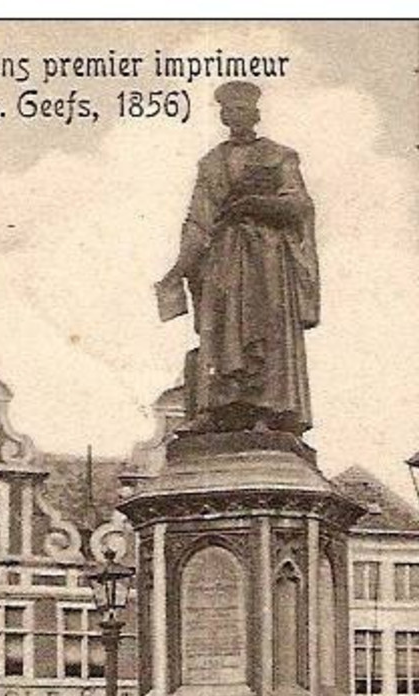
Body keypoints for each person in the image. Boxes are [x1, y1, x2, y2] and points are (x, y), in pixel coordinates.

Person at [156, 80, 319, 437]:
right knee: (221, 332)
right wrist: (178, 268)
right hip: (224, 258)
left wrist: (257, 205)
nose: (235, 116)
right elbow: (198, 220)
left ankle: (268, 409)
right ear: (223, 116)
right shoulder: (211, 163)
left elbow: (299, 204)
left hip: (267, 259)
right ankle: (216, 409)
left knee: (267, 331)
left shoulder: (280, 155)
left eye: (242, 110)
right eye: (228, 111)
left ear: (256, 114)